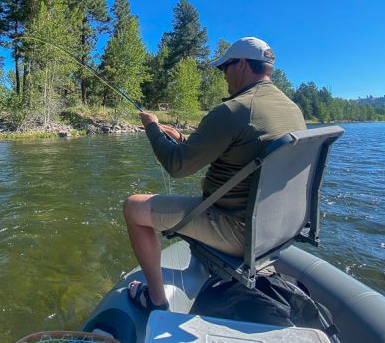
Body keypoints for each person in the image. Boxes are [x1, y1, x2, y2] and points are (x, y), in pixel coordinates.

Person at [123, 36, 306, 312]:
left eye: (225, 67)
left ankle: (155, 300)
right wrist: (184, 140)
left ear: (242, 64)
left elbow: (177, 166)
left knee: (133, 207)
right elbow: (243, 154)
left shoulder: (235, 109)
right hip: (277, 229)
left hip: (236, 230)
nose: (224, 76)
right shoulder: (293, 110)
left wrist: (152, 127)